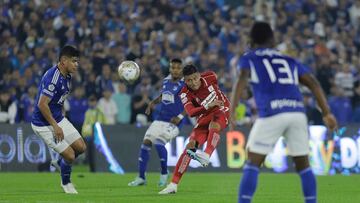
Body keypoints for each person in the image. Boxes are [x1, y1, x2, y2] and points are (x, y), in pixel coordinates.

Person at [229, 22, 338, 203]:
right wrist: (327, 113)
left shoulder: (250, 58)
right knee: (303, 165)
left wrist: (231, 111)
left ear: (251, 41)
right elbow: (313, 83)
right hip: (297, 113)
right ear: (272, 40)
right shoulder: (289, 60)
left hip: (271, 113)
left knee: (253, 163)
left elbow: (241, 80)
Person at [159, 64, 230, 194]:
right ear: (184, 81)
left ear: (199, 75)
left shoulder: (210, 76)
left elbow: (219, 83)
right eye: (188, 80)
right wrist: (208, 105)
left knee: (214, 125)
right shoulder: (184, 93)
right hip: (204, 115)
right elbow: (191, 112)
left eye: (194, 78)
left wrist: (217, 101)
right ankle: (173, 185)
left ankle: (207, 154)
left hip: (221, 109)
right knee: (190, 147)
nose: (193, 82)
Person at [31, 45, 87, 194]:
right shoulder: (53, 78)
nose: (77, 65)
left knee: (81, 148)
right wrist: (56, 127)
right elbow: (42, 105)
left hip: (57, 118)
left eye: (78, 61)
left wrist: (61, 120)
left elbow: (58, 101)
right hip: (42, 123)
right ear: (63, 61)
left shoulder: (67, 75)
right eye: (74, 61)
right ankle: (66, 183)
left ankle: (59, 162)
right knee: (70, 155)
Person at [128, 58, 186, 187]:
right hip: (160, 119)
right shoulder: (166, 81)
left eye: (178, 68)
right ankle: (141, 177)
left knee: (159, 143)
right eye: (173, 67)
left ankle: (164, 173)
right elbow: (163, 95)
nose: (175, 70)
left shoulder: (185, 85)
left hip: (174, 122)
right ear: (170, 68)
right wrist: (152, 102)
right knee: (146, 143)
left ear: (182, 70)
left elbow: (191, 104)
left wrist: (180, 117)